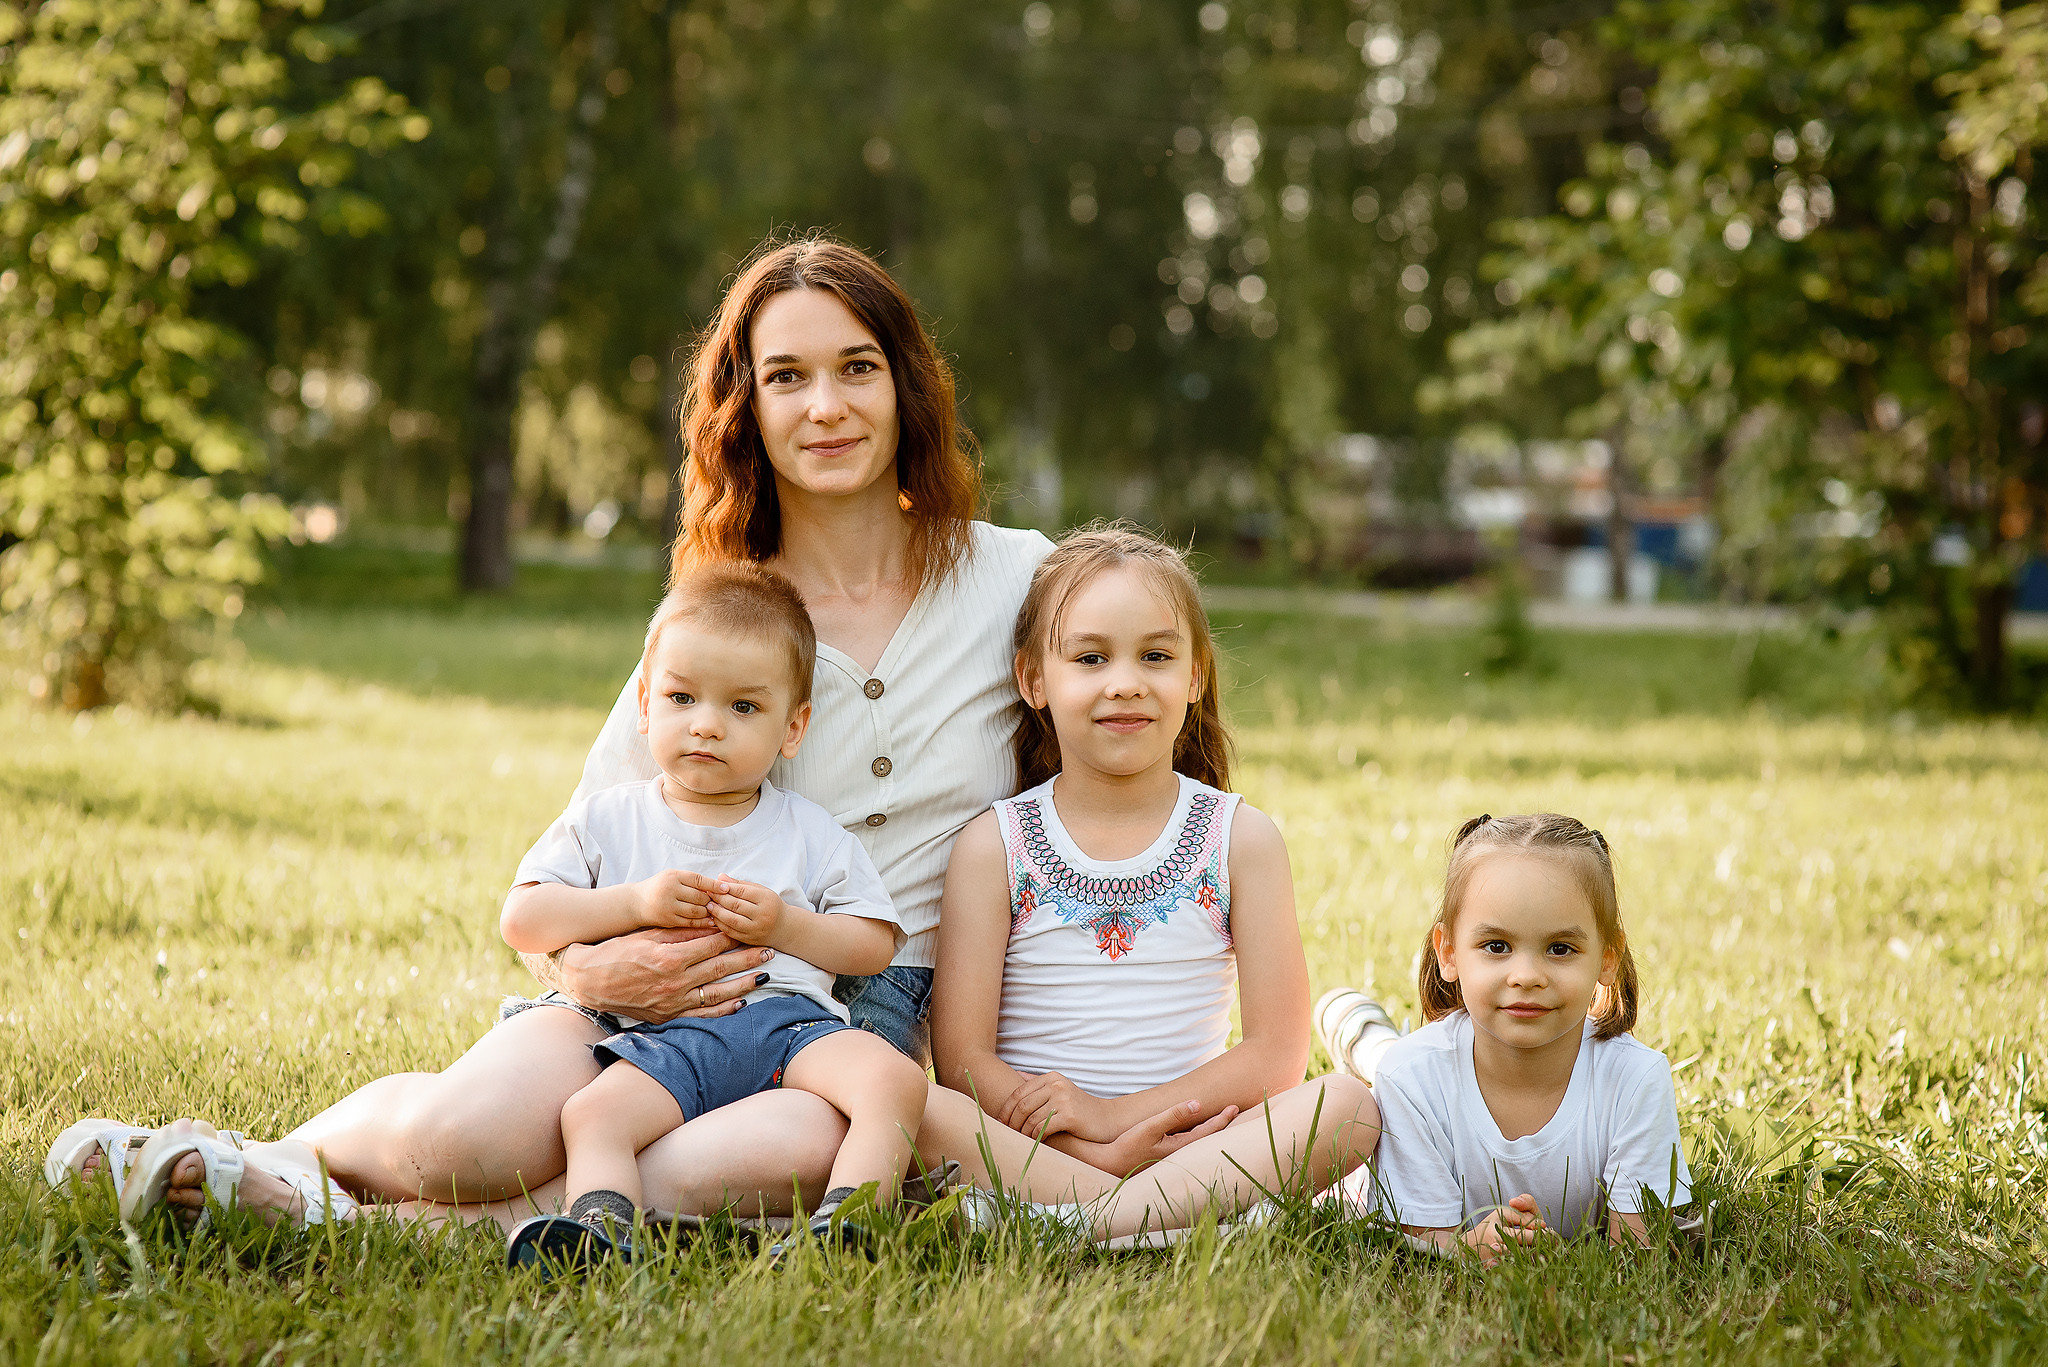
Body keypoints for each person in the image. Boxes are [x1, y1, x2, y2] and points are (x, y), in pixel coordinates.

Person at [49, 236, 1223, 1229]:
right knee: (470, 1132)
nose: (826, 406)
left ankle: (324, 1205)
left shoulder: (1014, 578)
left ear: (906, 383)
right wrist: (586, 967)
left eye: (857, 368)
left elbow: (1150, 740)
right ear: (745, 410)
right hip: (652, 986)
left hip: (848, 1015)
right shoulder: (724, 614)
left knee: (751, 1164)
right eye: (786, 377)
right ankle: (258, 1152)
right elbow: (591, 843)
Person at [906, 526, 1382, 1239]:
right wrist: (1088, 1147)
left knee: (1349, 1104)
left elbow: (1275, 1057)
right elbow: (964, 1063)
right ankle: (1151, 1213)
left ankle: (1084, 1221)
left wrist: (1112, 1119)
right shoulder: (995, 844)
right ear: (1033, 678)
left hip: (1192, 1141)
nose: (1124, 681)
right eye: (1090, 657)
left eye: (1155, 656)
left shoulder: (1240, 839)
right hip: (1040, 1150)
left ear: (1194, 675)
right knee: (906, 1097)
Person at [497, 564, 928, 1268]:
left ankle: (849, 1221)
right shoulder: (611, 819)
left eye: (743, 708)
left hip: (792, 1027)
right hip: (666, 1038)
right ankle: (602, 1229)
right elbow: (524, 919)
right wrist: (630, 903)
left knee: (895, 1079)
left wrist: (786, 926)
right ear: (645, 705)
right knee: (592, 1112)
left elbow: (873, 943)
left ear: (794, 726)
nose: (706, 724)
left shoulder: (808, 831)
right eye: (682, 696)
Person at [1334, 813, 1692, 1262]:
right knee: (1388, 1066)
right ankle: (1363, 1035)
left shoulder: (1636, 1080)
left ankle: (1367, 1037)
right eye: (1497, 946)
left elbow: (1640, 1255)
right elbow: (1421, 1243)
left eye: (1560, 949)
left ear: (1607, 956)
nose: (1526, 976)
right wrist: (1467, 1248)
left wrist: (1559, 1259)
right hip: (1390, 1104)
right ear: (1448, 952)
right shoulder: (1411, 1078)